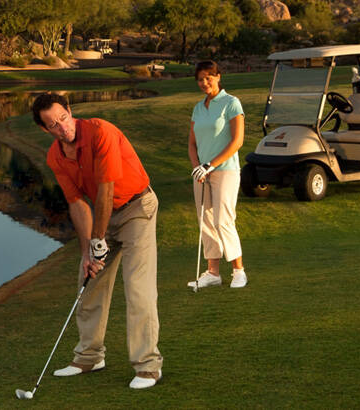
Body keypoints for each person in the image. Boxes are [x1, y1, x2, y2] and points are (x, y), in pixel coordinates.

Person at [31, 93, 163, 389]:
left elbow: (106, 190)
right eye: (53, 125)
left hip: (137, 209)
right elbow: (78, 204)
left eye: (63, 118)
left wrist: (98, 240)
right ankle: (89, 357)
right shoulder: (55, 156)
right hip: (105, 217)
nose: (62, 127)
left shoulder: (101, 132)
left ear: (69, 110)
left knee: (138, 288)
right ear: (44, 129)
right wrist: (87, 253)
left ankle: (148, 367)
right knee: (89, 282)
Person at [187, 60, 249, 290]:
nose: (204, 82)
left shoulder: (231, 103)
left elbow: (237, 141)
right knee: (205, 221)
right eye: (200, 79)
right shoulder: (198, 108)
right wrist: (198, 168)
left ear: (218, 77)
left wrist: (210, 165)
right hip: (202, 173)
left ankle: (239, 271)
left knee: (223, 220)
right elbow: (192, 144)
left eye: (208, 77)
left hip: (225, 171)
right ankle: (213, 272)